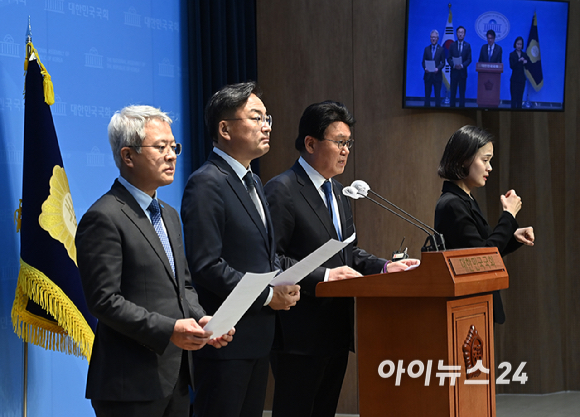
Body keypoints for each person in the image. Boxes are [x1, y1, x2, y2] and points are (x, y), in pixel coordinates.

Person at [76, 105, 234, 417]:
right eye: (160, 147)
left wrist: (203, 321)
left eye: (173, 146)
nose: (172, 155)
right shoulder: (103, 216)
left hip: (175, 378)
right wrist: (170, 329)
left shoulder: (169, 216)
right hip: (128, 384)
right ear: (128, 156)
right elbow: (104, 301)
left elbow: (183, 287)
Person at [264, 101, 419, 417]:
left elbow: (349, 254)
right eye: (339, 142)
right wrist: (322, 276)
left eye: (348, 143)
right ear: (310, 143)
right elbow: (272, 259)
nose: (346, 150)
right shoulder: (282, 189)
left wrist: (385, 267)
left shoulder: (337, 192)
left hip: (336, 328)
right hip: (299, 333)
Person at [181, 82, 301, 417]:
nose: (266, 126)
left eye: (268, 118)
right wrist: (266, 295)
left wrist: (284, 280)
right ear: (225, 128)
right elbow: (206, 265)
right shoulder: (206, 182)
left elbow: (263, 256)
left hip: (258, 338)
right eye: (256, 117)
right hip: (225, 340)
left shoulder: (253, 181)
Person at [434, 125, 535, 324]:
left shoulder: (465, 199)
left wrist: (513, 236)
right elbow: (482, 258)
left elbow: (486, 247)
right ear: (464, 159)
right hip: (468, 309)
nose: (489, 168)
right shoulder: (452, 203)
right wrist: (508, 215)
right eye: (485, 160)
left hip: (478, 307)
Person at [448, 26, 472, 107]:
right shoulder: (452, 45)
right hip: (454, 72)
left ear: (464, 34)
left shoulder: (467, 46)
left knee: (462, 93)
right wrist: (453, 65)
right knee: (453, 93)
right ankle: (452, 109)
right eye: (459, 32)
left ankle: (462, 109)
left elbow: (469, 59)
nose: (460, 34)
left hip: (462, 73)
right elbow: (448, 58)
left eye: (462, 32)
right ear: (456, 34)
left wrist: (462, 65)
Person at [422, 29, 446, 107]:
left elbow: (443, 63)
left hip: (437, 76)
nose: (433, 39)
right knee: (427, 96)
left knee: (437, 96)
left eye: (435, 37)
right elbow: (423, 62)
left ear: (437, 38)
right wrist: (425, 68)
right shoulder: (426, 49)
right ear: (430, 38)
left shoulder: (441, 49)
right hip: (428, 76)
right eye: (432, 37)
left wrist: (438, 69)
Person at [509, 36, 529, 109]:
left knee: (519, 99)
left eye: (520, 44)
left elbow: (528, 67)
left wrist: (526, 62)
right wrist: (519, 61)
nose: (519, 46)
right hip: (514, 79)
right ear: (515, 44)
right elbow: (511, 66)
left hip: (521, 79)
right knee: (513, 99)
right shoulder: (512, 54)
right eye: (518, 44)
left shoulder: (525, 55)